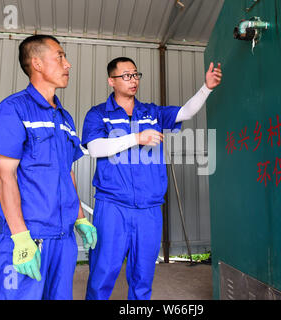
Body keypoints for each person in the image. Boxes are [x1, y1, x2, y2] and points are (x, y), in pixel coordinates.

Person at [81, 56, 222, 300]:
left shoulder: (151, 112)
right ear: (111, 81)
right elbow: (95, 148)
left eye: (135, 74)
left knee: (143, 276)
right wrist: (136, 138)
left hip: (149, 208)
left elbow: (185, 112)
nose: (132, 80)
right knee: (102, 274)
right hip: (113, 207)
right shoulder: (98, 114)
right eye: (126, 75)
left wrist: (206, 88)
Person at [0, 34, 97, 300]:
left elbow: (67, 171)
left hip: (63, 239)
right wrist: (21, 238)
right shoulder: (14, 110)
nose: (68, 64)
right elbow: (5, 176)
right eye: (60, 56)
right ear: (36, 63)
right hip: (30, 237)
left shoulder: (64, 117)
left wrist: (80, 217)